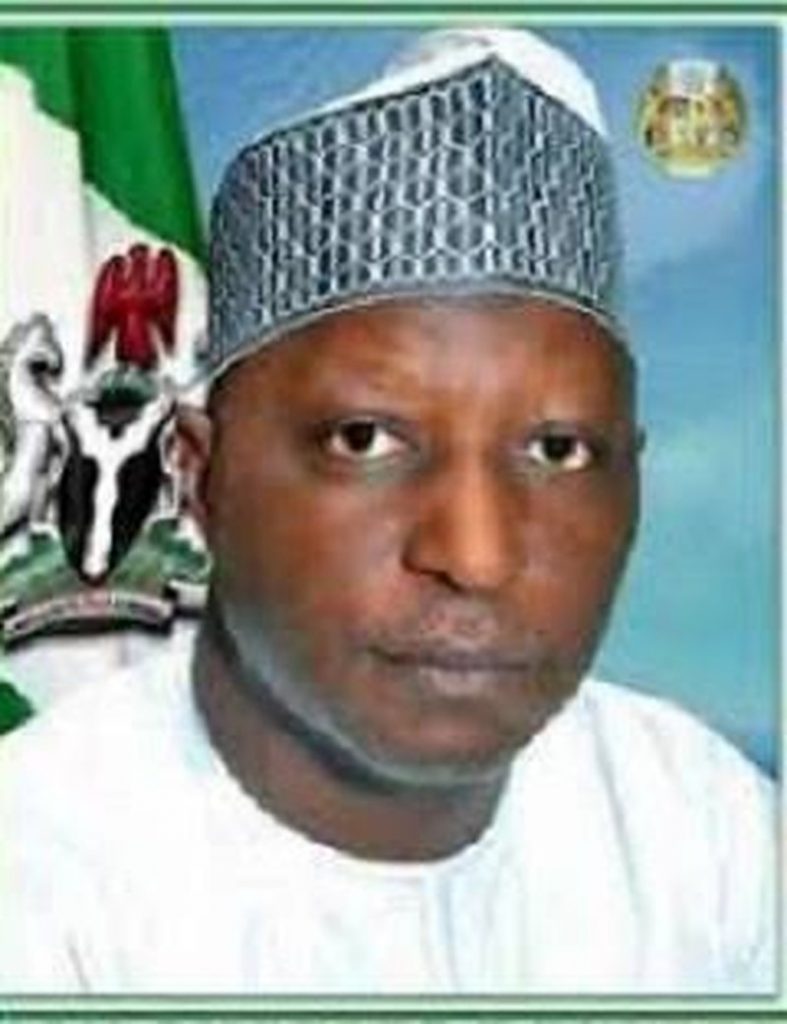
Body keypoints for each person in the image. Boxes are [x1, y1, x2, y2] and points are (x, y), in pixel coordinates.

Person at [0, 27, 775, 995]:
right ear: (199, 475)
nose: (475, 555)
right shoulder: (35, 871)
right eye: (363, 439)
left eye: (557, 451)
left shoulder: (708, 837)